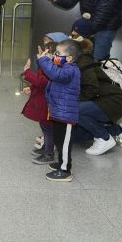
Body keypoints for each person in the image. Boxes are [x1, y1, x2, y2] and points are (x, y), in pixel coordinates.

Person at [72, 22, 122, 154]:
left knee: (73, 109)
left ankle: (103, 138)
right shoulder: (76, 61)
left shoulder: (83, 61)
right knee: (77, 137)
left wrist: (75, 101)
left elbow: (92, 87)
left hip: (111, 100)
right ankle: (118, 130)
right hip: (102, 100)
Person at [37, 39, 81, 182]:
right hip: (59, 112)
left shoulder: (71, 70)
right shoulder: (64, 67)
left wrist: (44, 61)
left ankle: (65, 170)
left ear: (69, 58)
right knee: (59, 141)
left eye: (58, 54)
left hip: (66, 115)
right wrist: (49, 60)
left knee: (65, 143)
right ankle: (62, 162)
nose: (55, 56)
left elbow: (55, 75)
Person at [22, 33, 68, 165]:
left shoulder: (53, 66)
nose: (43, 53)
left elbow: (42, 81)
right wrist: (31, 88)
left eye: (47, 52)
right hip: (44, 100)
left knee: (48, 128)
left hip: (48, 104)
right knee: (45, 127)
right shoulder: (50, 65)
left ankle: (48, 152)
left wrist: (27, 72)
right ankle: (46, 148)